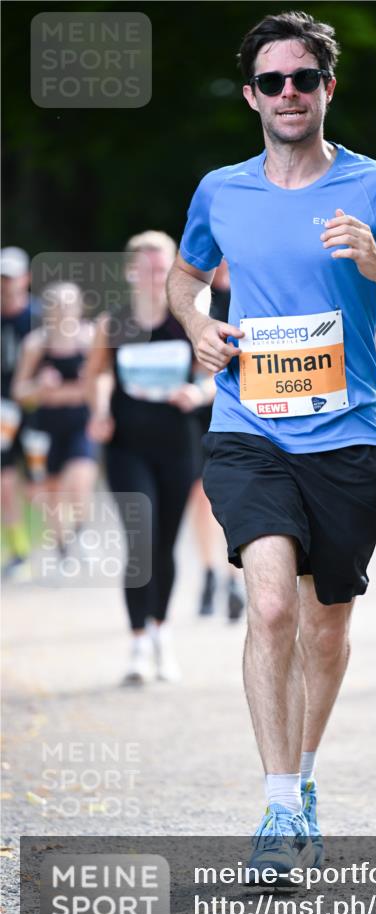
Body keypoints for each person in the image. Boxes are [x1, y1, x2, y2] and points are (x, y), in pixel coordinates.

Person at [166, 10, 376, 875]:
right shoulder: (221, 190)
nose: (287, 93)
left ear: (328, 87)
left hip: (347, 436)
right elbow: (185, 274)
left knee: (324, 629)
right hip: (248, 426)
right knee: (270, 607)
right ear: (250, 95)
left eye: (302, 79)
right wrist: (197, 325)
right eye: (271, 81)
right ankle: (278, 806)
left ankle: (308, 775)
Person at [86, 231, 214, 685]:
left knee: (164, 544)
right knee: (140, 542)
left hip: (177, 446)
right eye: (147, 267)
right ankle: (138, 643)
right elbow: (99, 374)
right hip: (126, 447)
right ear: (130, 272)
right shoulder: (114, 322)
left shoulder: (188, 321)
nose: (155, 275)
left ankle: (162, 632)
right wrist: (100, 410)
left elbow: (214, 377)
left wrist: (197, 393)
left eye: (163, 267)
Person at [11, 282, 98, 559]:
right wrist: (40, 385)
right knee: (50, 491)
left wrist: (68, 391)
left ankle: (82, 531)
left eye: (68, 304)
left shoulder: (90, 339)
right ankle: (62, 547)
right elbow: (19, 391)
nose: (63, 311)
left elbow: (102, 384)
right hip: (44, 429)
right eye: (56, 305)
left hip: (80, 423)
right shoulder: (36, 344)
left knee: (79, 480)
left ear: (80, 307)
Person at [189, 260, 245, 621]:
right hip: (199, 405)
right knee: (201, 494)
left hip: (239, 404)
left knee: (234, 494)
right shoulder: (195, 298)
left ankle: (232, 578)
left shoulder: (249, 290)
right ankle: (209, 570)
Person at [1, 247, 39, 578]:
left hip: (36, 408)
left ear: (25, 278)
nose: (6, 284)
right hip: (3, 410)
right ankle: (18, 550)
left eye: (11, 277)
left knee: (40, 481)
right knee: (4, 479)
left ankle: (63, 540)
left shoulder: (39, 316)